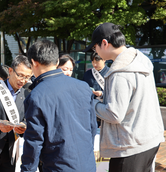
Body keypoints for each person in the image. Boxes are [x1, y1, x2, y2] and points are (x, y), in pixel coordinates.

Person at [84, 22, 164, 172]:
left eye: (95, 47)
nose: (95, 52)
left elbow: (114, 114)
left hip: (130, 145)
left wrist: (90, 103)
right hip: (149, 138)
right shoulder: (139, 59)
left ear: (104, 43)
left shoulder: (120, 72)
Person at [21, 40, 97, 172]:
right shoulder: (83, 87)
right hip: (87, 164)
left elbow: (34, 143)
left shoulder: (36, 96)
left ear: (33, 62)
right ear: (57, 62)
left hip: (58, 166)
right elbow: (92, 127)